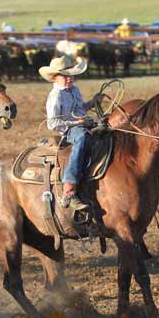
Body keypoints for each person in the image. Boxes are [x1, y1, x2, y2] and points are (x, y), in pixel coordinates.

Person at [39, 55, 103, 211]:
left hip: (82, 124)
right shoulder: (55, 96)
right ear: (55, 78)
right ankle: (69, 188)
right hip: (67, 131)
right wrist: (76, 123)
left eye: (71, 75)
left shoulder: (75, 90)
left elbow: (80, 109)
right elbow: (52, 123)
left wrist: (93, 102)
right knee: (82, 137)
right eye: (64, 76)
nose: (69, 78)